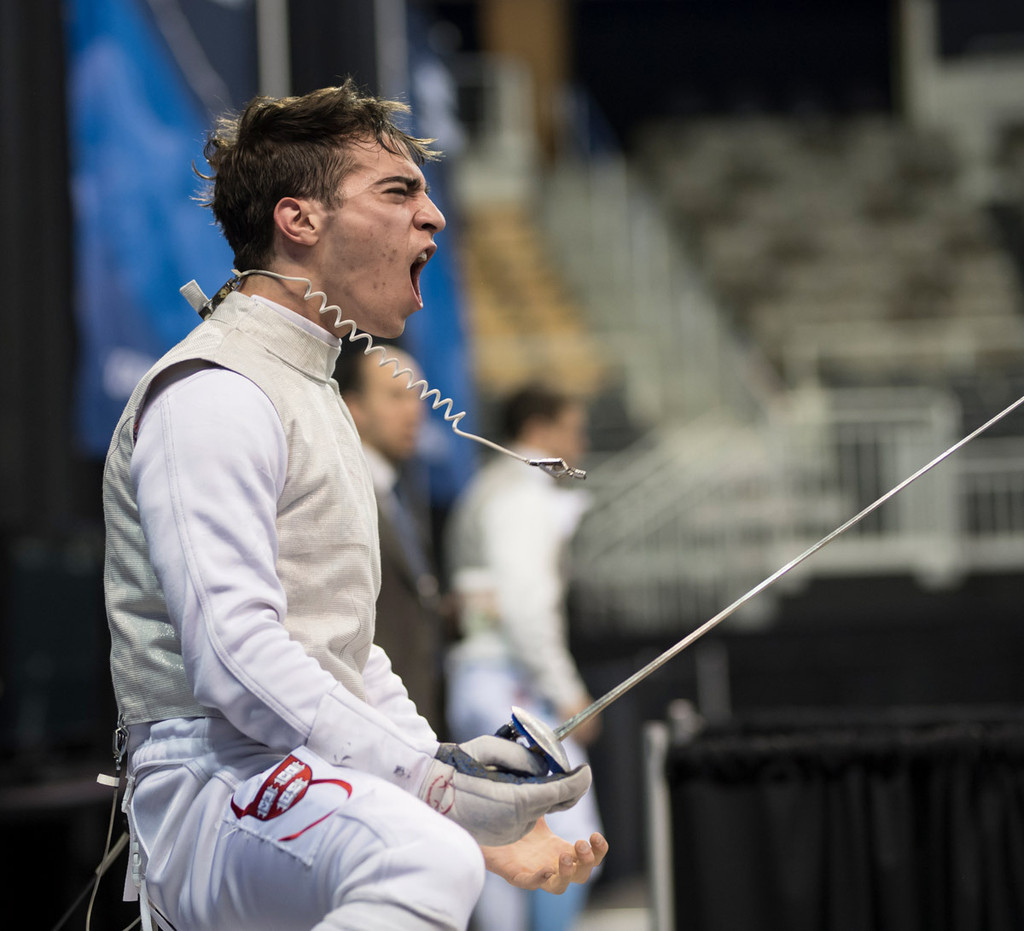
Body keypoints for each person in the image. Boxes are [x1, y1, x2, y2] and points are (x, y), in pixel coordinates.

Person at [102, 81, 606, 931]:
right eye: (399, 192)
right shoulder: (213, 391)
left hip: (284, 775)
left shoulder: (315, 394)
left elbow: (348, 653)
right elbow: (235, 660)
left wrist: (445, 776)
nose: (435, 218)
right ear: (300, 220)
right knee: (422, 857)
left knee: (439, 848)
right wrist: (431, 791)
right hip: (206, 782)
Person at [445, 385, 603, 931]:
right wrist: (567, 690)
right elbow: (527, 607)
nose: (580, 443)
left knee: (501, 834)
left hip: (484, 679)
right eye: (573, 429)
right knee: (567, 834)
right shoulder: (523, 496)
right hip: (507, 683)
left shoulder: (489, 487)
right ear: (541, 430)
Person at [337, 345, 449, 735]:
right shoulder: (341, 494)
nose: (414, 411)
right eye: (396, 396)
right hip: (371, 724)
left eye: (418, 396)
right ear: (354, 407)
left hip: (410, 717)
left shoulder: (396, 495)